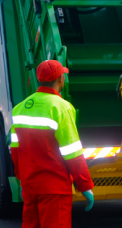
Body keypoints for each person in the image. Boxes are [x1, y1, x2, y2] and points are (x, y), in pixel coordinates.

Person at [10, 60, 94, 228]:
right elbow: (72, 152)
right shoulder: (61, 108)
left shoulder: (19, 108)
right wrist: (85, 185)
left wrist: (22, 180)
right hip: (54, 187)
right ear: (61, 79)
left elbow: (15, 151)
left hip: (30, 185)